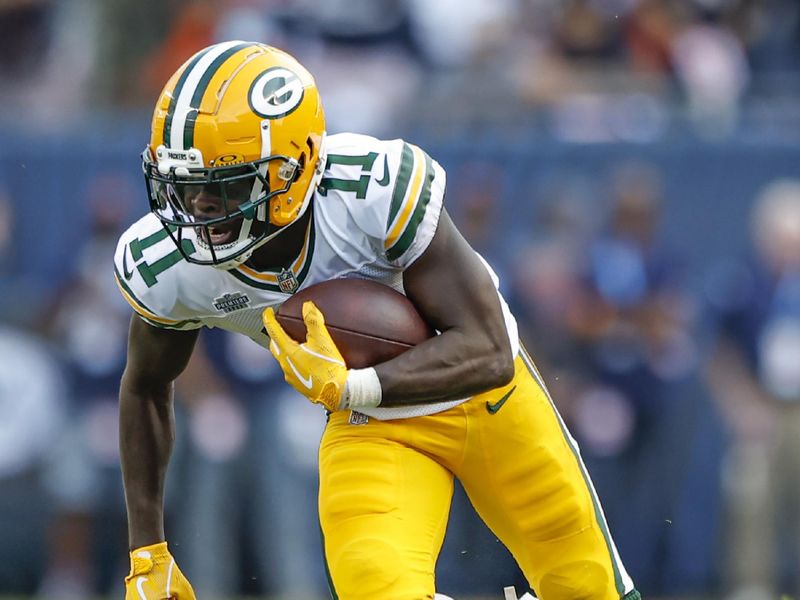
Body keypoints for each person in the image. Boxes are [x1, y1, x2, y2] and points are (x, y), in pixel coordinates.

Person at [115, 41, 641, 600]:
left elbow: (487, 350)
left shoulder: (371, 189)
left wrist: (355, 384)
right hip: (372, 422)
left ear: (297, 165)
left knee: (588, 585)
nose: (200, 209)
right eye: (185, 185)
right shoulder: (168, 266)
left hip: (485, 398)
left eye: (225, 185)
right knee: (377, 587)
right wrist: (148, 551)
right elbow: (146, 388)